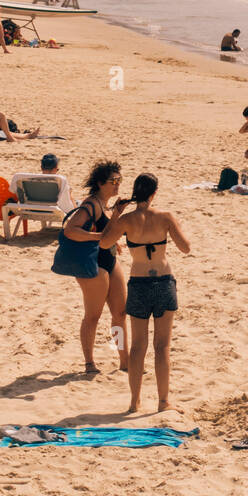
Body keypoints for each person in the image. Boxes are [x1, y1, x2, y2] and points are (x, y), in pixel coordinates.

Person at [100, 172, 191, 413]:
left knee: (138, 346)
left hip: (138, 282)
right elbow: (185, 248)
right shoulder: (165, 217)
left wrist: (116, 215)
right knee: (162, 347)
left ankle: (134, 402)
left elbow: (104, 243)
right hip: (163, 281)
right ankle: (163, 402)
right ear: (154, 194)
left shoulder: (126, 220)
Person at [52, 161, 129, 375]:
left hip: (109, 260)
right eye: (113, 181)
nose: (117, 185)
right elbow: (71, 230)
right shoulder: (91, 204)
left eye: (119, 180)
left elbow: (105, 228)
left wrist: (115, 218)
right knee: (93, 316)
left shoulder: (104, 205)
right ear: (100, 183)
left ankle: (124, 360)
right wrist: (100, 237)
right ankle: (89, 363)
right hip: (91, 263)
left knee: (120, 313)